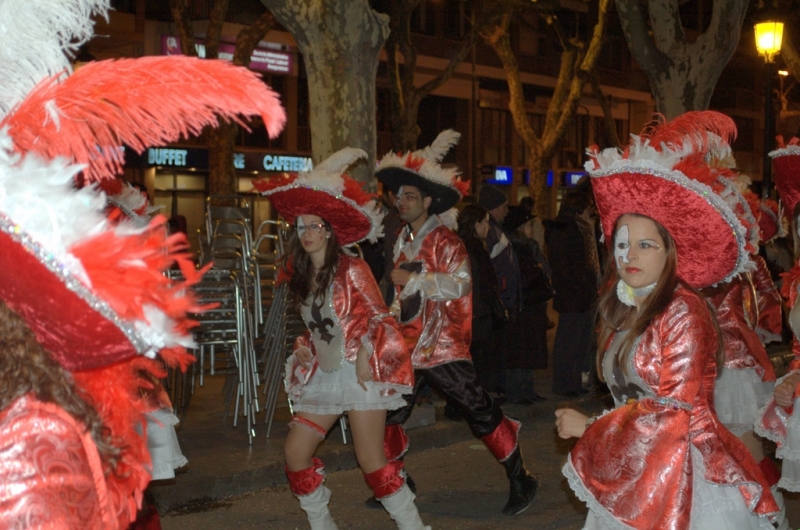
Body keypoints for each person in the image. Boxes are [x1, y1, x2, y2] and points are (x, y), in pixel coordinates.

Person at [555, 111, 779, 529]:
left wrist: (591, 424)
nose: (629, 256)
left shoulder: (683, 309)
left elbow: (671, 409)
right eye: (622, 244)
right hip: (634, 465)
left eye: (645, 244)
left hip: (685, 473)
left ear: (668, 251)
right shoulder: (622, 304)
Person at [255, 148, 428, 530]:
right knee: (295, 452)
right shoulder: (302, 275)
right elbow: (318, 327)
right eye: (301, 227)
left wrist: (367, 351)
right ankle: (323, 525)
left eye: (316, 226)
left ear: (330, 230)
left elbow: (381, 316)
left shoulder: (352, 267)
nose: (308, 234)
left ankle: (414, 527)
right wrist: (303, 348)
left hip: (359, 373)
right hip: (325, 375)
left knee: (371, 459)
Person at [376, 129, 538, 516]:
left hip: (443, 346)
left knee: (479, 409)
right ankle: (397, 480)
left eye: (411, 196)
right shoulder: (403, 241)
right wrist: (388, 318)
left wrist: (415, 279)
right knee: (388, 413)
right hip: (409, 347)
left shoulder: (447, 241)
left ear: (429, 201)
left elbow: (462, 284)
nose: (402, 202)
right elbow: (403, 300)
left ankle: (521, 476)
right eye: (400, 196)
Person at [545, 191, 599, 396]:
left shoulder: (579, 229)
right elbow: (566, 266)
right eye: (587, 208)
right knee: (569, 341)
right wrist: (581, 286)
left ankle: (573, 383)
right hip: (573, 295)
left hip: (580, 294)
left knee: (579, 342)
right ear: (579, 208)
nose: (590, 212)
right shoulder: (567, 230)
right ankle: (565, 384)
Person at [502, 205, 550, 403]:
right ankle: (521, 391)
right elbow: (538, 270)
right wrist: (538, 270)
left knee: (524, 348)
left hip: (525, 303)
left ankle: (525, 390)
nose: (532, 228)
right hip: (527, 302)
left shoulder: (511, 245)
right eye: (529, 224)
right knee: (524, 349)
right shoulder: (525, 246)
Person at [477, 184, 520, 394]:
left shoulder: (495, 230)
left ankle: (497, 388)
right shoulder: (491, 232)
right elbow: (492, 270)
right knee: (494, 351)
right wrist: (501, 294)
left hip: (501, 300)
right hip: (499, 301)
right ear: (493, 208)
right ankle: (494, 390)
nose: (507, 210)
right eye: (503, 206)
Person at [455, 204, 503, 392]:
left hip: (479, 314)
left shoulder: (474, 248)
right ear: (475, 224)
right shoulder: (468, 250)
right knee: (477, 364)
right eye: (485, 222)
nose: (488, 227)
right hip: (475, 316)